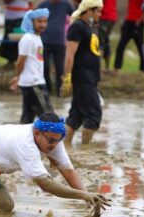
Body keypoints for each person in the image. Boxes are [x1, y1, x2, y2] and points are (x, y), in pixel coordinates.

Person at [0, 112, 110, 213]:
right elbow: (46, 185)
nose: (54, 145)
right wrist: (83, 195)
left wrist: (89, 198)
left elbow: (68, 172)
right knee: (4, 206)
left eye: (58, 141)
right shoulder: (26, 143)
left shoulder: (53, 138)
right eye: (51, 140)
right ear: (37, 133)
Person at [61, 0, 103, 145]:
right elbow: (70, 54)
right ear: (88, 11)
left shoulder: (90, 27)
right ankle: (86, 149)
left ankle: (65, 148)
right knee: (94, 115)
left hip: (90, 78)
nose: (100, 14)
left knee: (76, 116)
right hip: (82, 77)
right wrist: (67, 77)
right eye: (97, 11)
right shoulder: (77, 27)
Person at [10, 8, 54, 124]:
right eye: (39, 21)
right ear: (32, 22)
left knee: (27, 119)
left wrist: (18, 78)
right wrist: (18, 77)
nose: (43, 24)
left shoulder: (36, 37)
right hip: (34, 83)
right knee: (49, 119)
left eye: (45, 21)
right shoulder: (28, 39)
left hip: (32, 82)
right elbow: (20, 62)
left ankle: (19, 141)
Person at [37, 0, 74, 97]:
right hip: (44, 41)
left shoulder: (66, 4)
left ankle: (59, 93)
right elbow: (33, 18)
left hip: (59, 41)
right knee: (44, 67)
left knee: (60, 69)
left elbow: (74, 16)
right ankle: (46, 90)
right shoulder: (43, 5)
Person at [114, 0, 144, 74]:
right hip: (128, 21)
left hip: (138, 22)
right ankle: (117, 68)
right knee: (121, 45)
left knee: (140, 46)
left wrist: (140, 20)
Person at [0, 0, 32, 68]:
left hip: (21, 16)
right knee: (8, 38)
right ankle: (10, 61)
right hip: (9, 16)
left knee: (20, 39)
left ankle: (22, 61)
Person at [98, 0, 117, 72]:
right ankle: (107, 67)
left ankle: (98, 68)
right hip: (111, 16)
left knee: (100, 42)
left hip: (105, 17)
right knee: (105, 41)